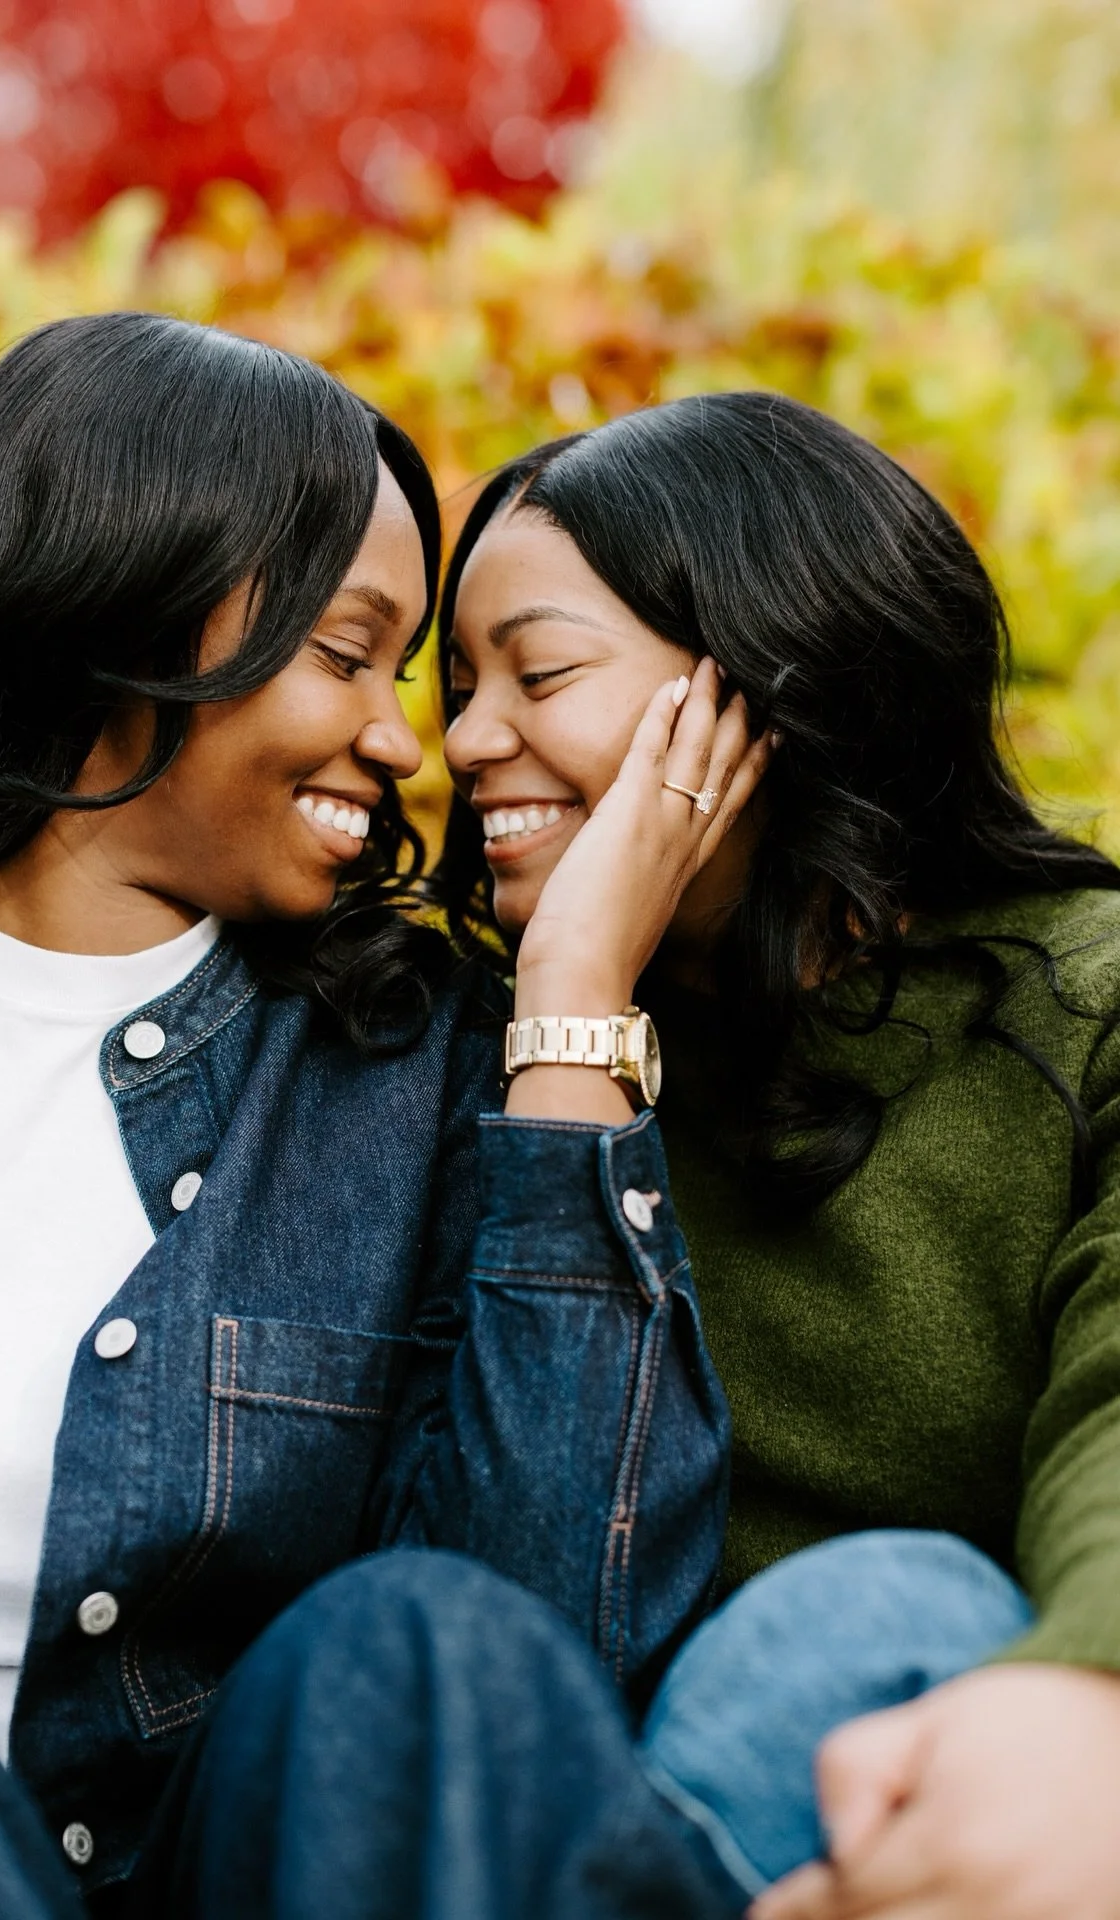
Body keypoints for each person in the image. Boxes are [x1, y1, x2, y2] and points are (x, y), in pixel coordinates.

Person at [0, 314, 756, 1920]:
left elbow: (554, 1651)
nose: (409, 742)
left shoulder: (428, 1071)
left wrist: (575, 1004)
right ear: (117, 608)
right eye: (345, 655)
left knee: (415, 1647)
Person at [434, 390, 1120, 1920]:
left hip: (908, 1793)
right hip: (508, 1835)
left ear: (767, 685)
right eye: (455, 691)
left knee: (879, 1615)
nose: (472, 741)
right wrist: (571, 1017)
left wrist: (1093, 1686)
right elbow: (505, 1626)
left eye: (535, 671)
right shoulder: (448, 1046)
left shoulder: (1087, 1003)